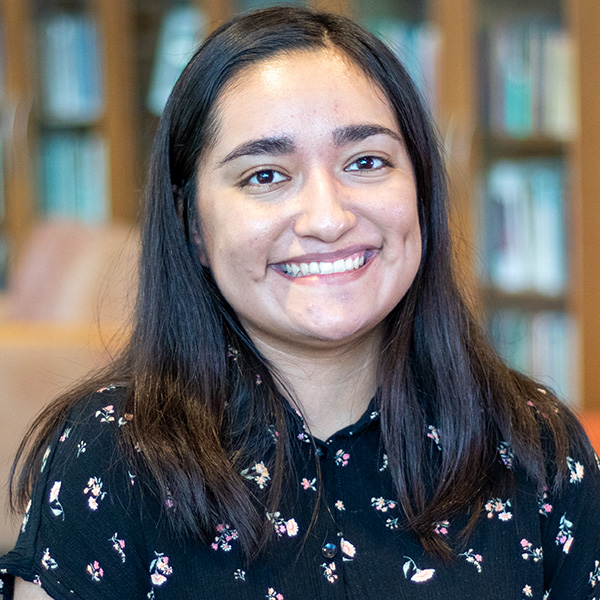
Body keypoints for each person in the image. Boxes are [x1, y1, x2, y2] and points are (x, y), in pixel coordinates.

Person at [1, 5, 599, 600]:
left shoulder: (534, 446)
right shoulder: (109, 458)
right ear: (192, 227)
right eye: (265, 175)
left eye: (366, 162)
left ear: (421, 191)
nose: (328, 219)